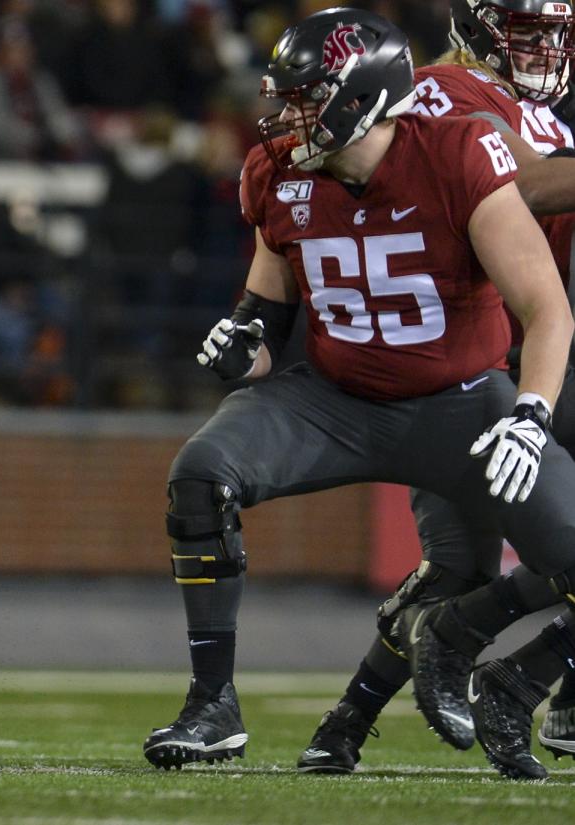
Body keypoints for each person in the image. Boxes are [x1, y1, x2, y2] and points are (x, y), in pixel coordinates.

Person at [143, 7, 575, 775]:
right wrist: (237, 344)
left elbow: (545, 306)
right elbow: (263, 317)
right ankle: (211, 705)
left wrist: (529, 413)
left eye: (305, 96)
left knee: (499, 561)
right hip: (333, 398)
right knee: (200, 473)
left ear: (359, 96)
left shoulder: (456, 149)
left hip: (462, 401)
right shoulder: (276, 169)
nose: (285, 113)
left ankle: (518, 682)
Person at [296, 0, 575, 773]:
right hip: (468, 359)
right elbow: (526, 187)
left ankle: (372, 712)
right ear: (479, 24)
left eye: (556, 33)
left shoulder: (537, 116)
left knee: (472, 563)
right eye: (528, 30)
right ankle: (497, 672)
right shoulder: (437, 92)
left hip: (529, 353)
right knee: (463, 562)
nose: (546, 48)